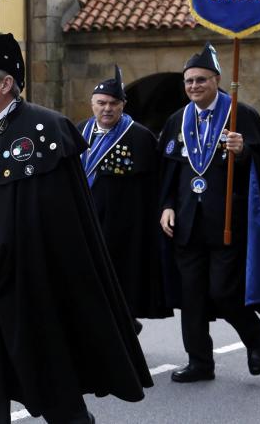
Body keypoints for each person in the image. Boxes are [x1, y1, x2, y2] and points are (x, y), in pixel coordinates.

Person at [0, 34, 152, 424]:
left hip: (32, 284)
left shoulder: (47, 131)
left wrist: (11, 253)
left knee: (51, 383)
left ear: (6, 85)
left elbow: (66, 224)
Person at [159, 42, 260, 383]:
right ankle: (200, 362)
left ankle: (254, 335)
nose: (194, 87)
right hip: (186, 222)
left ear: (217, 79)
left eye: (201, 80)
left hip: (228, 222)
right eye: (189, 82)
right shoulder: (177, 120)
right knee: (192, 298)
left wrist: (243, 152)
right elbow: (169, 171)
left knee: (224, 292)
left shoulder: (241, 115)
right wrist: (167, 206)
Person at [78, 66, 172, 335]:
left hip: (124, 225)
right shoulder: (78, 131)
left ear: (123, 105)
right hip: (86, 219)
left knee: (121, 279)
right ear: (92, 104)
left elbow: (155, 182)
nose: (107, 109)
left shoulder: (140, 137)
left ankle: (125, 323)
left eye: (113, 103)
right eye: (101, 103)